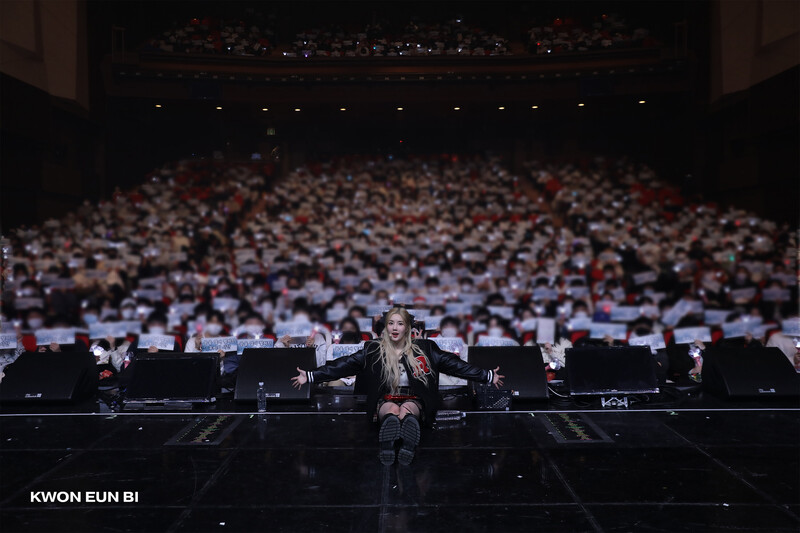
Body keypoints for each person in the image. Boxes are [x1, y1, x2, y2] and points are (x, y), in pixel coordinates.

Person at [291, 307, 504, 466]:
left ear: (408, 328)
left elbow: (455, 364)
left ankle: (406, 443)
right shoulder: (372, 349)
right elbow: (343, 365)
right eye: (391, 323)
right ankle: (388, 442)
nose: (394, 328)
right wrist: (311, 376)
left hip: (414, 397)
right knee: (392, 410)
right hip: (387, 396)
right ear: (386, 326)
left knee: (408, 410)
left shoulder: (426, 348)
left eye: (400, 323)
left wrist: (486, 375)